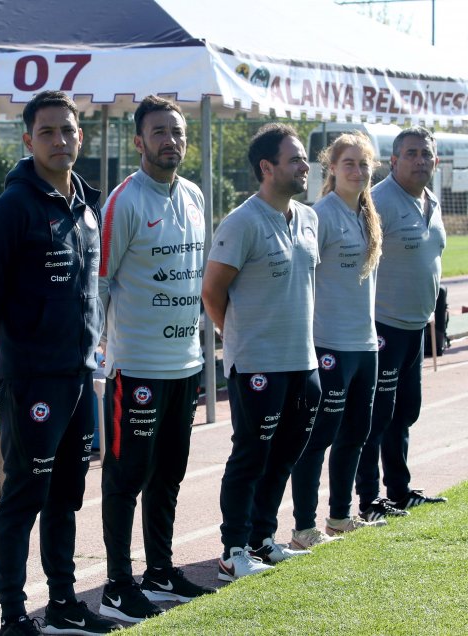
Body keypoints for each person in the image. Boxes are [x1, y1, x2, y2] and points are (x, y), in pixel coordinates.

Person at [0, 90, 119, 636]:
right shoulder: (13, 207)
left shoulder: (83, 205)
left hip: (78, 374)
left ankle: (63, 602)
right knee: (24, 495)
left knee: (66, 496)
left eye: (68, 131)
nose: (60, 140)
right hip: (32, 377)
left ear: (81, 137)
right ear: (28, 140)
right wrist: (15, 343)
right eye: (48, 132)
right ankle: (13, 615)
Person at [96, 95, 213, 624]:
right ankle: (119, 584)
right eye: (159, 132)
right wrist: (96, 353)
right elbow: (98, 285)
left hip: (185, 366)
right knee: (126, 476)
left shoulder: (193, 196)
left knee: (169, 474)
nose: (171, 140)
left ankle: (160, 571)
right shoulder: (124, 202)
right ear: (139, 141)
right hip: (136, 368)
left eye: (178, 131)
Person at [203, 123, 321, 581]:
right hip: (256, 363)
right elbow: (212, 291)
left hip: (303, 360)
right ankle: (233, 551)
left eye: (303, 159)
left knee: (286, 454)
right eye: (294, 159)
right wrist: (235, 333)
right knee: (251, 455)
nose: (304, 165)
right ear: (266, 168)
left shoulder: (309, 219)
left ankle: (262, 539)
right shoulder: (242, 222)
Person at [289, 132, 386, 549]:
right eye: (349, 163)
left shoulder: (368, 214)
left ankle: (341, 516)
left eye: (364, 164)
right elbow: (304, 277)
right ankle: (304, 527)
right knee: (319, 436)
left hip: (365, 344)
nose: (358, 171)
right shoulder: (321, 214)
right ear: (332, 167)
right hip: (329, 343)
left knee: (356, 434)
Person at [354, 126, 448, 522]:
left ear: (436, 160)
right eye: (411, 154)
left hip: (416, 325)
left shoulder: (431, 201)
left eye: (425, 154)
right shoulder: (378, 203)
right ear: (393, 161)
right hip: (384, 327)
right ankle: (368, 499)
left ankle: (399, 490)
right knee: (377, 416)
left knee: (406, 410)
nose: (419, 160)